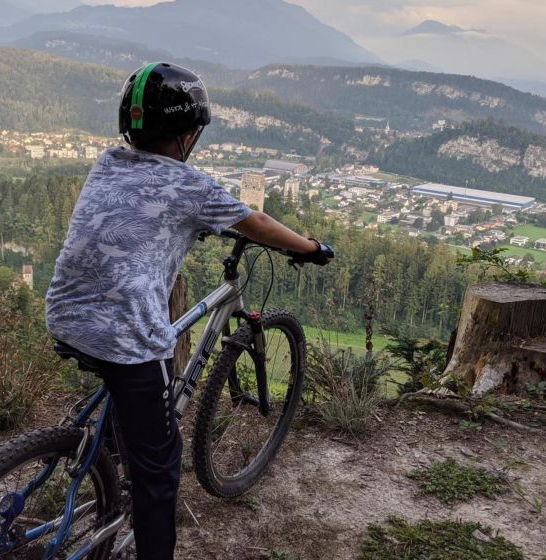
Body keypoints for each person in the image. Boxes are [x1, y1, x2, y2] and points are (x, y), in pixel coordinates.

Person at [45, 62, 332, 560]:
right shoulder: (189, 188)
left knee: (131, 405)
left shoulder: (108, 162)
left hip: (65, 315)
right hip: (126, 338)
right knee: (160, 470)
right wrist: (310, 247)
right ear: (189, 133)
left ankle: (110, 463)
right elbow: (256, 221)